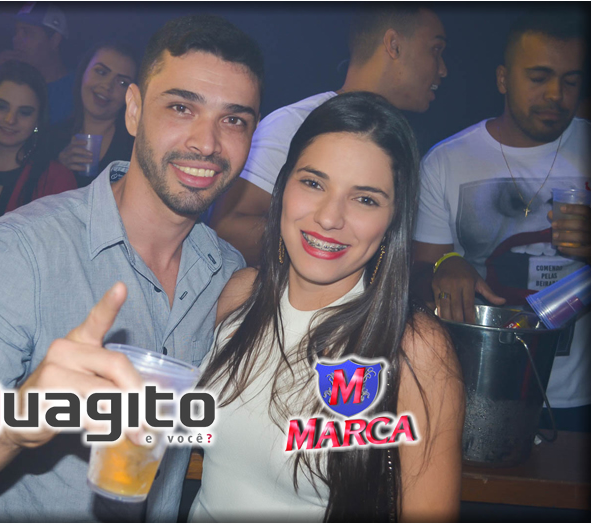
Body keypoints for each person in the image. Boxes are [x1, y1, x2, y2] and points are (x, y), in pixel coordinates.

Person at [0, 14, 263, 522]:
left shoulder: (224, 272)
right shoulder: (20, 252)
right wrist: (16, 418)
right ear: (133, 110)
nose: (207, 142)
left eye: (234, 120)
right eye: (180, 107)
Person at [190, 92, 463, 522]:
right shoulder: (240, 294)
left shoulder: (415, 349)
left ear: (394, 219)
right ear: (283, 186)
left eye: (365, 199)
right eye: (313, 183)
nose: (330, 217)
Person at [412, 13, 590, 430]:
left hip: (578, 399)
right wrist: (444, 267)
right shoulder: (446, 161)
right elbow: (416, 277)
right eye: (539, 77)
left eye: (570, 81)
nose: (556, 94)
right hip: (474, 391)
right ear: (503, 79)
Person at [210, 5, 448, 265]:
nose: (443, 69)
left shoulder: (401, 141)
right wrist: (328, 241)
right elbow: (227, 230)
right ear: (394, 45)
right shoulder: (295, 124)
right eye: (435, 50)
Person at [0, 60, 76, 214]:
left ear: (38, 120)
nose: (10, 120)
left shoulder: (55, 179)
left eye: (24, 112)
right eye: (1, 107)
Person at [52, 42, 138, 187]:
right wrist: (57, 169)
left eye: (122, 82)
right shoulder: (52, 139)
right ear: (83, 72)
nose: (107, 85)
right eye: (101, 72)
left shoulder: (135, 148)